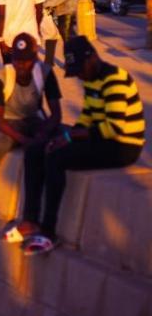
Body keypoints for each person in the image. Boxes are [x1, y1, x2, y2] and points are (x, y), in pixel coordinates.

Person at [12, 36, 145, 255]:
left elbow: (114, 127)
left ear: (92, 58)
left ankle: (48, 231)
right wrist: (66, 135)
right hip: (101, 138)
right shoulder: (92, 80)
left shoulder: (115, 79)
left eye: (80, 70)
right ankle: (30, 219)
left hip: (122, 146)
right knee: (37, 149)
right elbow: (87, 117)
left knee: (57, 159)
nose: (80, 76)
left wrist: (71, 138)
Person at [0, 34, 62, 217]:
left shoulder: (45, 73)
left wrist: (45, 132)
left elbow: (56, 114)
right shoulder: (0, 76)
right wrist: (24, 140)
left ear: (35, 58)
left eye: (27, 61)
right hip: (7, 123)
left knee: (62, 135)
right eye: (18, 60)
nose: (22, 66)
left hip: (33, 120)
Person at [42, 0, 80, 70]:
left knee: (67, 38)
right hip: (53, 9)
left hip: (67, 10)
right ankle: (48, 61)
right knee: (50, 34)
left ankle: (71, 63)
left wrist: (46, 3)